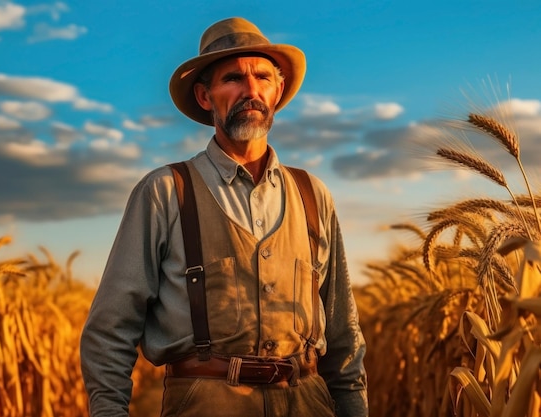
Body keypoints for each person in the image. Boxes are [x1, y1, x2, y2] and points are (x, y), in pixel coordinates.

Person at [80, 17, 367, 417]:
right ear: (204, 96)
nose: (251, 90)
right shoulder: (165, 191)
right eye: (233, 78)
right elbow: (110, 330)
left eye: (263, 77)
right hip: (205, 405)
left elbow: (342, 335)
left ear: (278, 89)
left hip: (307, 403)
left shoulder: (312, 195)